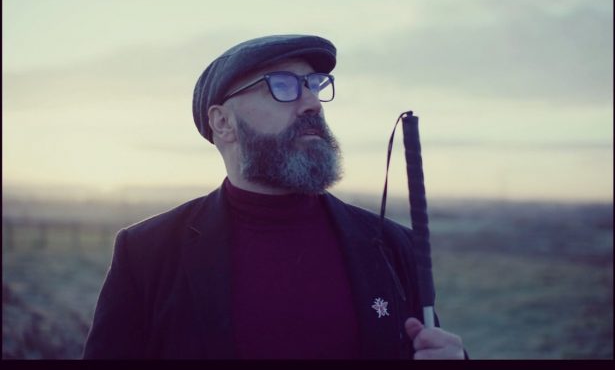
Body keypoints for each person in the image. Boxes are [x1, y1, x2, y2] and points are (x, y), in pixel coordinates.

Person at [83, 34, 465, 360]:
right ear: (223, 122)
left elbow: (427, 346)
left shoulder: (389, 244)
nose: (313, 103)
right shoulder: (148, 252)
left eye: (314, 84)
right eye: (282, 86)